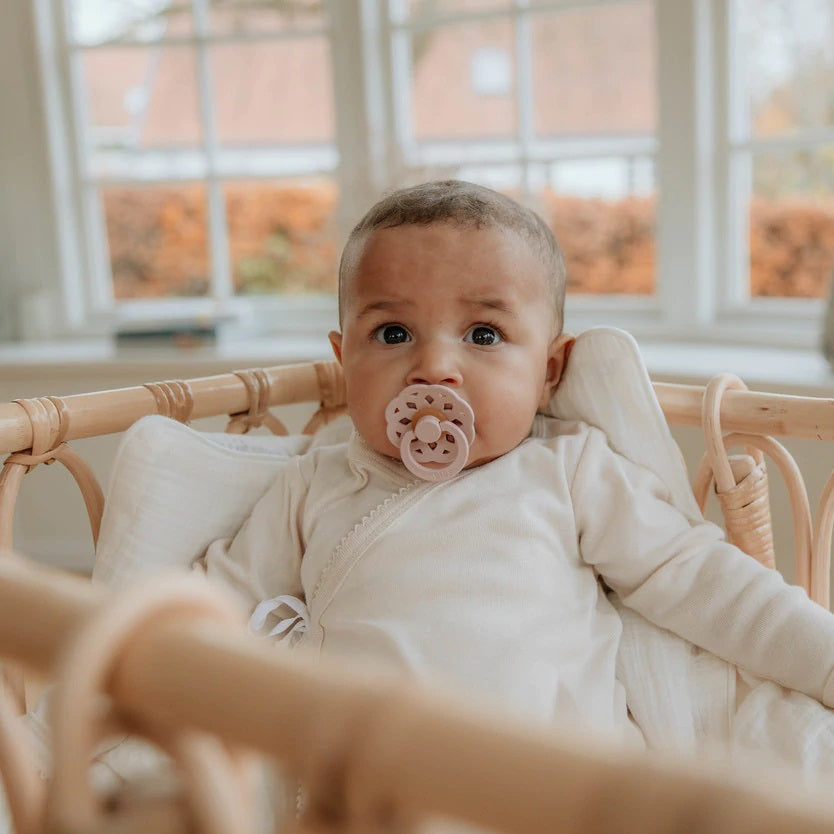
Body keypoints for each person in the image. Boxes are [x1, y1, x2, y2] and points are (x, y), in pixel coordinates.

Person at [201, 179, 834, 750]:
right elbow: (213, 606)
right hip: (366, 784)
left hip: (555, 784)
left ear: (548, 372)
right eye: (393, 333)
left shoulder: (569, 470)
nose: (434, 368)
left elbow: (703, 579)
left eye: (483, 334)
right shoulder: (314, 481)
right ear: (345, 361)